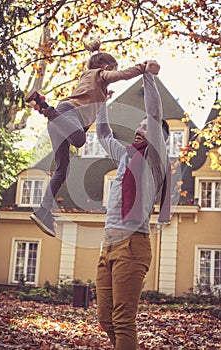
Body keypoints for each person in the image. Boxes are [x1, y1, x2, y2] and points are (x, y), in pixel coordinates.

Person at [25, 38, 155, 237]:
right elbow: (122, 75)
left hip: (60, 123)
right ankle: (44, 108)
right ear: (106, 67)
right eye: (111, 69)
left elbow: (92, 98)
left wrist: (104, 96)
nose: (111, 74)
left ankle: (43, 210)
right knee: (79, 140)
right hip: (65, 116)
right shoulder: (100, 74)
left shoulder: (90, 80)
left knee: (62, 170)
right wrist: (143, 68)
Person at [95, 61, 171, 350]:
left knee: (124, 319)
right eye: (137, 126)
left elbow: (153, 114)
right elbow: (103, 135)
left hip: (132, 246)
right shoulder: (126, 156)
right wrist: (102, 101)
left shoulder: (155, 160)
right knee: (105, 318)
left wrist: (147, 76)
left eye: (145, 127)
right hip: (108, 246)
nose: (139, 129)